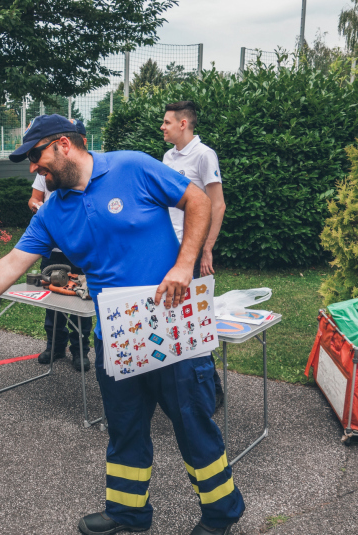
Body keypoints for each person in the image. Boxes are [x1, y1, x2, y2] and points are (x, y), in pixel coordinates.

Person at [0, 115, 245, 535]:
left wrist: (185, 265)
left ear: (62, 145)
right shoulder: (52, 212)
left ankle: (222, 512)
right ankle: (129, 512)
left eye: (36, 157)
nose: (33, 169)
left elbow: (198, 200)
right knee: (125, 427)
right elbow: (9, 265)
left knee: (193, 423)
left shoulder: (132, 166)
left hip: (172, 327)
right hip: (115, 336)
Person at [161, 100, 227, 410]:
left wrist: (206, 249)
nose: (162, 127)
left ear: (183, 124)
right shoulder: (167, 156)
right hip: (166, 249)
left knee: (194, 319)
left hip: (191, 251)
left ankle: (210, 387)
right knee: (168, 315)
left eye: (167, 122)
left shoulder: (204, 155)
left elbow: (217, 205)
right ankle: (176, 385)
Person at [28, 119, 92, 371]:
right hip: (53, 251)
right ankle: (54, 346)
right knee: (52, 301)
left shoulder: (88, 177)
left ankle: (80, 350)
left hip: (80, 252)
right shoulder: (45, 173)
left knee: (80, 302)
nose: (34, 167)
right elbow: (34, 200)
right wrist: (39, 208)